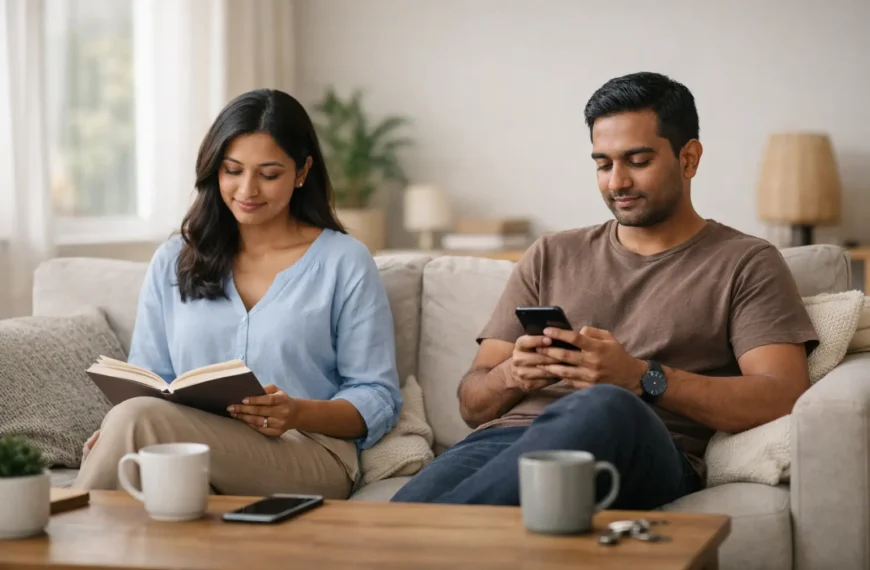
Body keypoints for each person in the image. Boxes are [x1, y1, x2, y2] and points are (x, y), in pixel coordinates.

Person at [391, 71, 818, 508]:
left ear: (688, 159)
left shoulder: (746, 262)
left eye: (637, 161)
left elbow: (782, 395)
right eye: (603, 163)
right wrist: (512, 375)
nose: (616, 182)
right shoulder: (550, 253)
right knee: (396, 523)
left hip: (641, 447)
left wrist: (641, 378)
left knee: (605, 405)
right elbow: (472, 404)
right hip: (503, 440)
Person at [75, 89, 402, 499]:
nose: (247, 190)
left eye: (268, 174)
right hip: (193, 444)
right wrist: (117, 430)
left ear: (302, 172)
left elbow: (377, 395)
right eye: (233, 170)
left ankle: (48, 548)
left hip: (309, 452)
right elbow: (150, 378)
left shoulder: (344, 261)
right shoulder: (174, 258)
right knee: (134, 423)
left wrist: (296, 411)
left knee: (137, 421)